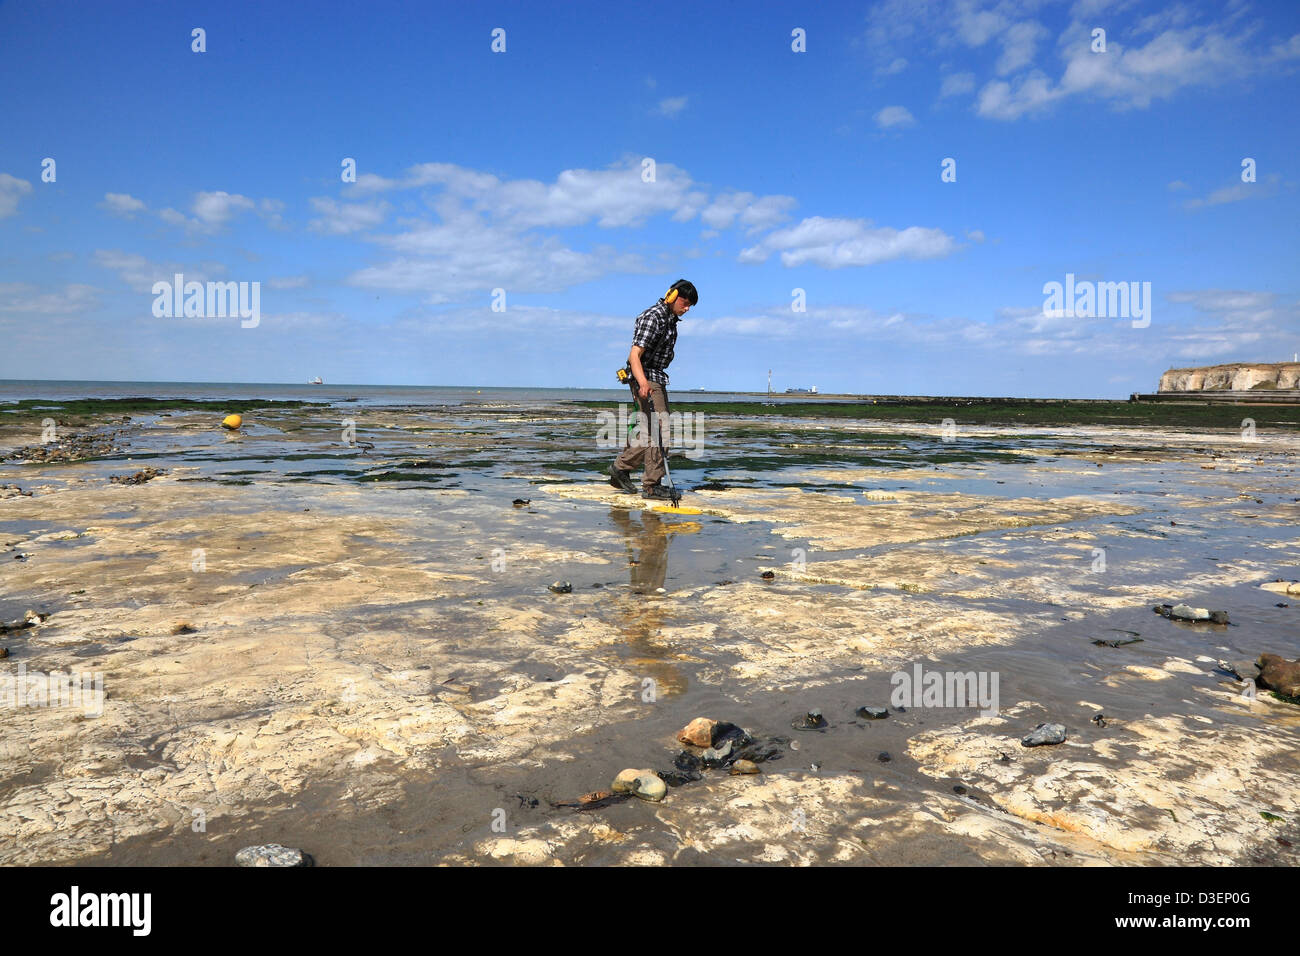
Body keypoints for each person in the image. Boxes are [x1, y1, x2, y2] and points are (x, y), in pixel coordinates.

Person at [609, 279, 697, 500]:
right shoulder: (654, 317)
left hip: (655, 376)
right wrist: (643, 383)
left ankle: (620, 469)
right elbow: (634, 355)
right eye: (684, 303)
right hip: (645, 376)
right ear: (672, 295)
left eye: (689, 306)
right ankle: (652, 485)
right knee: (660, 429)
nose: (686, 309)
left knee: (650, 431)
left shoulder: (669, 320)